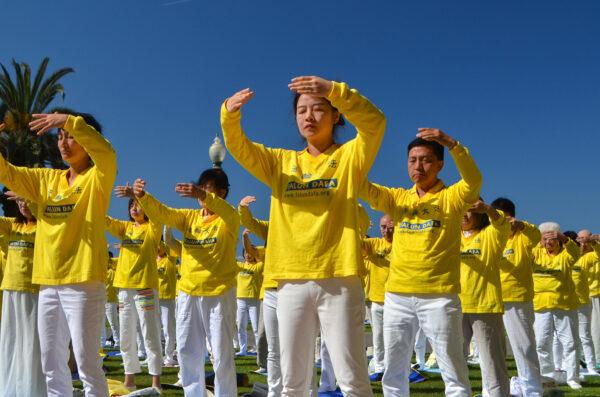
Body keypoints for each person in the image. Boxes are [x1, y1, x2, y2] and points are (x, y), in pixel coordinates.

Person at [222, 76, 385, 397]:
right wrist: (229, 114)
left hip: (339, 278)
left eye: (319, 109)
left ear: (337, 116)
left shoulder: (350, 157)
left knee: (352, 379)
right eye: (302, 111)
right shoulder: (281, 163)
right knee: (293, 381)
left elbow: (375, 123)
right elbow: (239, 147)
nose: (309, 117)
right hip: (290, 280)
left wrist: (335, 91)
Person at [0, 110, 116, 397]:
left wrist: (68, 120)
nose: (63, 144)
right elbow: (8, 173)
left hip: (84, 281)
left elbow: (107, 152)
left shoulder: (98, 176)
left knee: (87, 363)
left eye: (71, 137)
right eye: (61, 137)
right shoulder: (47, 180)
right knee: (51, 363)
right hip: (48, 281)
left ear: (87, 140)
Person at [362, 128, 481, 396]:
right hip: (397, 296)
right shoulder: (397, 198)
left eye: (426, 160)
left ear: (440, 164)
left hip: (439, 296)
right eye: (413, 160)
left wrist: (452, 143)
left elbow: (473, 180)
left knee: (453, 368)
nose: (419, 166)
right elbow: (362, 186)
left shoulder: (451, 197)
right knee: (394, 369)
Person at [132, 168, 239, 396]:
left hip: (219, 292)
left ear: (222, 193)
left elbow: (225, 210)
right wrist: (143, 197)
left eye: (208, 190)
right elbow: (163, 214)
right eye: (201, 189)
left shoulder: (229, 217)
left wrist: (203, 194)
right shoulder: (188, 217)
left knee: (221, 354)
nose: (202, 196)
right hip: (188, 292)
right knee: (187, 351)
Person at [106, 193, 163, 391]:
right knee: (126, 334)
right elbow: (106, 221)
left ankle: (156, 381)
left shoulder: (153, 229)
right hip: (124, 289)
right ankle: (129, 378)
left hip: (144, 288)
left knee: (150, 334)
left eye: (138, 205)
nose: (135, 208)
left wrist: (139, 196)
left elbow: (158, 216)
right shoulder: (125, 228)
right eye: (132, 205)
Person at [491, 197, 544, 396]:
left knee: (524, 347)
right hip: (491, 297)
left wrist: (521, 224)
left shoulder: (523, 236)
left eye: (504, 218)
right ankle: (496, 390)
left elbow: (536, 235)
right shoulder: (492, 234)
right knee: (493, 349)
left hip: (517, 298)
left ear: (511, 217)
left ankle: (532, 390)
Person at [459, 199, 510, 396]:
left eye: (469, 210)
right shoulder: (452, 235)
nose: (464, 214)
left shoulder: (490, 234)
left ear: (479, 212)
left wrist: (488, 208)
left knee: (492, 362)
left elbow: (501, 223)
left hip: (485, 306)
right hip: (455, 306)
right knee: (454, 361)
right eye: (460, 210)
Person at [0, 199, 46, 396]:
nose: (23, 205)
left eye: (28, 201)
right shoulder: (12, 224)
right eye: (20, 202)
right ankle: (11, 387)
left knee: (31, 341)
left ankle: (31, 387)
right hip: (11, 288)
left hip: (34, 289)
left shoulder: (44, 225)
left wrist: (28, 195)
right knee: (10, 339)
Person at [532, 222, 581, 389]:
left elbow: (576, 252)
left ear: (559, 239)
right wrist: (537, 240)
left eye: (552, 238)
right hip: (541, 306)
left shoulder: (566, 253)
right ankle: (547, 377)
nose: (549, 242)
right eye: (545, 238)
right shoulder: (535, 252)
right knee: (541, 343)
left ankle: (573, 377)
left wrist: (564, 238)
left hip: (564, 304)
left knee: (570, 343)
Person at [362, 214, 393, 382]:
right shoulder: (374, 244)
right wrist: (362, 227)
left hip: (396, 300)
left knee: (394, 337)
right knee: (378, 337)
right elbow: (356, 243)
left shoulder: (402, 245)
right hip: (376, 299)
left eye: (389, 226)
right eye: (382, 227)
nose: (386, 230)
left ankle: (392, 368)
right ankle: (380, 367)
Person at [573, 230, 600, 375]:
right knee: (580, 331)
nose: (582, 242)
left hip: (596, 296)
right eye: (580, 239)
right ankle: (582, 359)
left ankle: (596, 361)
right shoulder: (575, 256)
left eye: (585, 239)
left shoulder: (594, 254)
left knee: (595, 330)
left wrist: (594, 242)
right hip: (581, 298)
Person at [236, 229, 264, 357]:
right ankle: (243, 349)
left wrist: (247, 239)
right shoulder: (239, 266)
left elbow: (263, 258)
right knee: (240, 326)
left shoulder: (258, 266)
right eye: (246, 252)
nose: (248, 254)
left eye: (250, 252)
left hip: (254, 300)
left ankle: (259, 350)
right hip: (240, 300)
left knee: (256, 327)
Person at [156, 238, 179, 367]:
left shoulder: (170, 258)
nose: (158, 248)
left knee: (168, 329)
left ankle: (169, 357)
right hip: (154, 297)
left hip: (167, 298)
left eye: (160, 245)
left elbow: (168, 245)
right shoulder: (152, 259)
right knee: (155, 329)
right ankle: (157, 357)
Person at [101, 251, 120, 348]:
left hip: (111, 301)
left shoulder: (113, 272)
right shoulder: (100, 271)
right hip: (101, 301)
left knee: (113, 323)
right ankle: (102, 343)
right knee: (101, 324)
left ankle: (117, 342)